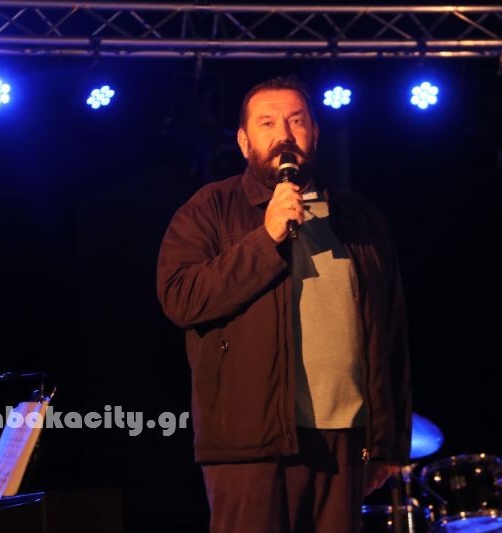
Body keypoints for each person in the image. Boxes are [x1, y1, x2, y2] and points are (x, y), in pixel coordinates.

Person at [156, 76, 412, 533]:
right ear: (243, 140)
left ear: (315, 132)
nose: (284, 135)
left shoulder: (361, 219)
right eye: (267, 123)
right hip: (251, 443)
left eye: (296, 121)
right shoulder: (209, 209)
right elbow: (182, 298)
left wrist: (388, 443)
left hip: (345, 437)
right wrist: (266, 237)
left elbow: (391, 332)